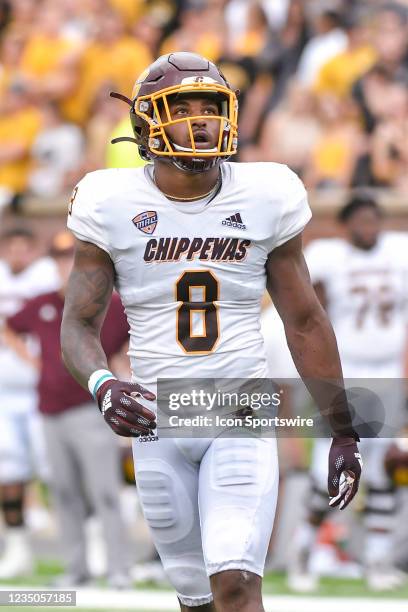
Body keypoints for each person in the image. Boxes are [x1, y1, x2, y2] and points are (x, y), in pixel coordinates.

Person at [61, 52, 362, 611]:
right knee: (196, 599)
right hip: (159, 418)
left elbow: (305, 320)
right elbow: (79, 323)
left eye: (211, 107)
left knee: (236, 583)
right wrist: (103, 383)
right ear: (147, 122)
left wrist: (342, 430)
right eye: (183, 108)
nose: (201, 120)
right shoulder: (109, 200)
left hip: (238, 411)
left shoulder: (266, 192)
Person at [288, 194, 408, 592]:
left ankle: (377, 558)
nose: (368, 225)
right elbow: (308, 303)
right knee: (330, 471)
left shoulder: (399, 250)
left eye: (374, 217)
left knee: (382, 471)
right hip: (346, 374)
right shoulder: (328, 256)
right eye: (360, 219)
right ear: (345, 226)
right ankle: (303, 551)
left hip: (388, 372)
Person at [5, 231, 132, 588]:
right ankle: (76, 570)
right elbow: (10, 327)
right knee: (63, 492)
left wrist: (121, 368)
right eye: (60, 260)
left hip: (90, 409)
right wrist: (34, 362)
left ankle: (118, 568)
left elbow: (135, 334)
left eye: (71, 260)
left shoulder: (109, 306)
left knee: (104, 491)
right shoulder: (44, 303)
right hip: (49, 409)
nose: (66, 267)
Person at [0, 226, 59, 579]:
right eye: (12, 246)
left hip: (42, 390)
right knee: (9, 472)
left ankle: (90, 542)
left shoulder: (47, 275)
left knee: (57, 470)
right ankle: (18, 548)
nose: (19, 252)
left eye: (26, 246)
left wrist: (37, 361)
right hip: (5, 391)